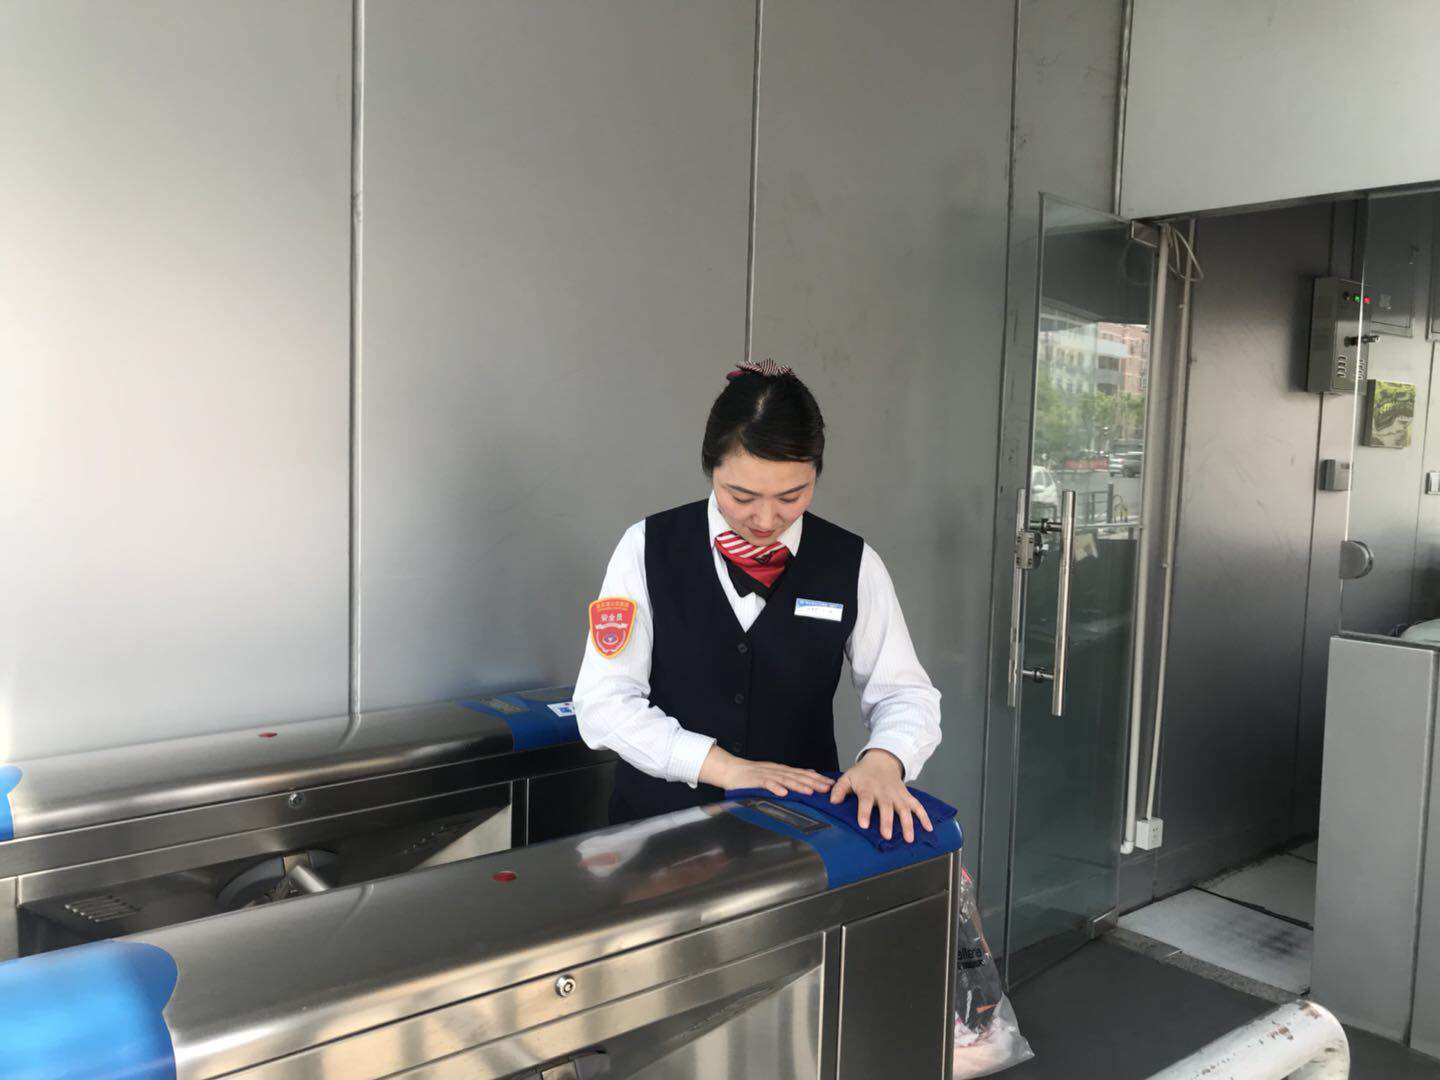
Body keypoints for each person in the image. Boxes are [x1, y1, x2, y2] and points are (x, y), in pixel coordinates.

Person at [574, 359, 942, 842]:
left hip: (798, 840)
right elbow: (604, 703)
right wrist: (722, 766)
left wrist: (885, 758)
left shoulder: (853, 563)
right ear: (711, 470)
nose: (766, 520)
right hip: (656, 836)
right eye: (741, 496)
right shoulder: (645, 548)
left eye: (792, 496)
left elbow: (905, 694)